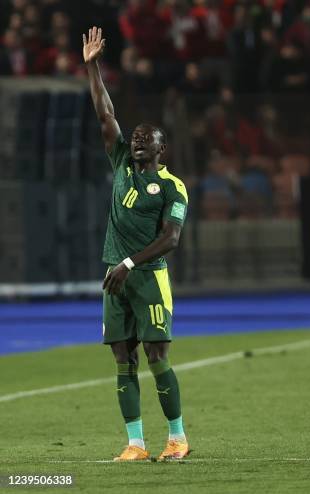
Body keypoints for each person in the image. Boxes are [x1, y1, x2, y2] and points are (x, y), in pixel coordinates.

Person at [83, 26, 190, 461]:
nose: (140, 139)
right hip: (115, 275)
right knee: (122, 358)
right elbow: (104, 112)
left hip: (147, 277)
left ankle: (178, 438)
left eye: (150, 138)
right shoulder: (122, 160)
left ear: (163, 149)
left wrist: (128, 261)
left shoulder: (171, 187)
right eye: (138, 136)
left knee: (156, 354)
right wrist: (92, 68)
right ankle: (135, 444)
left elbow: (172, 238)